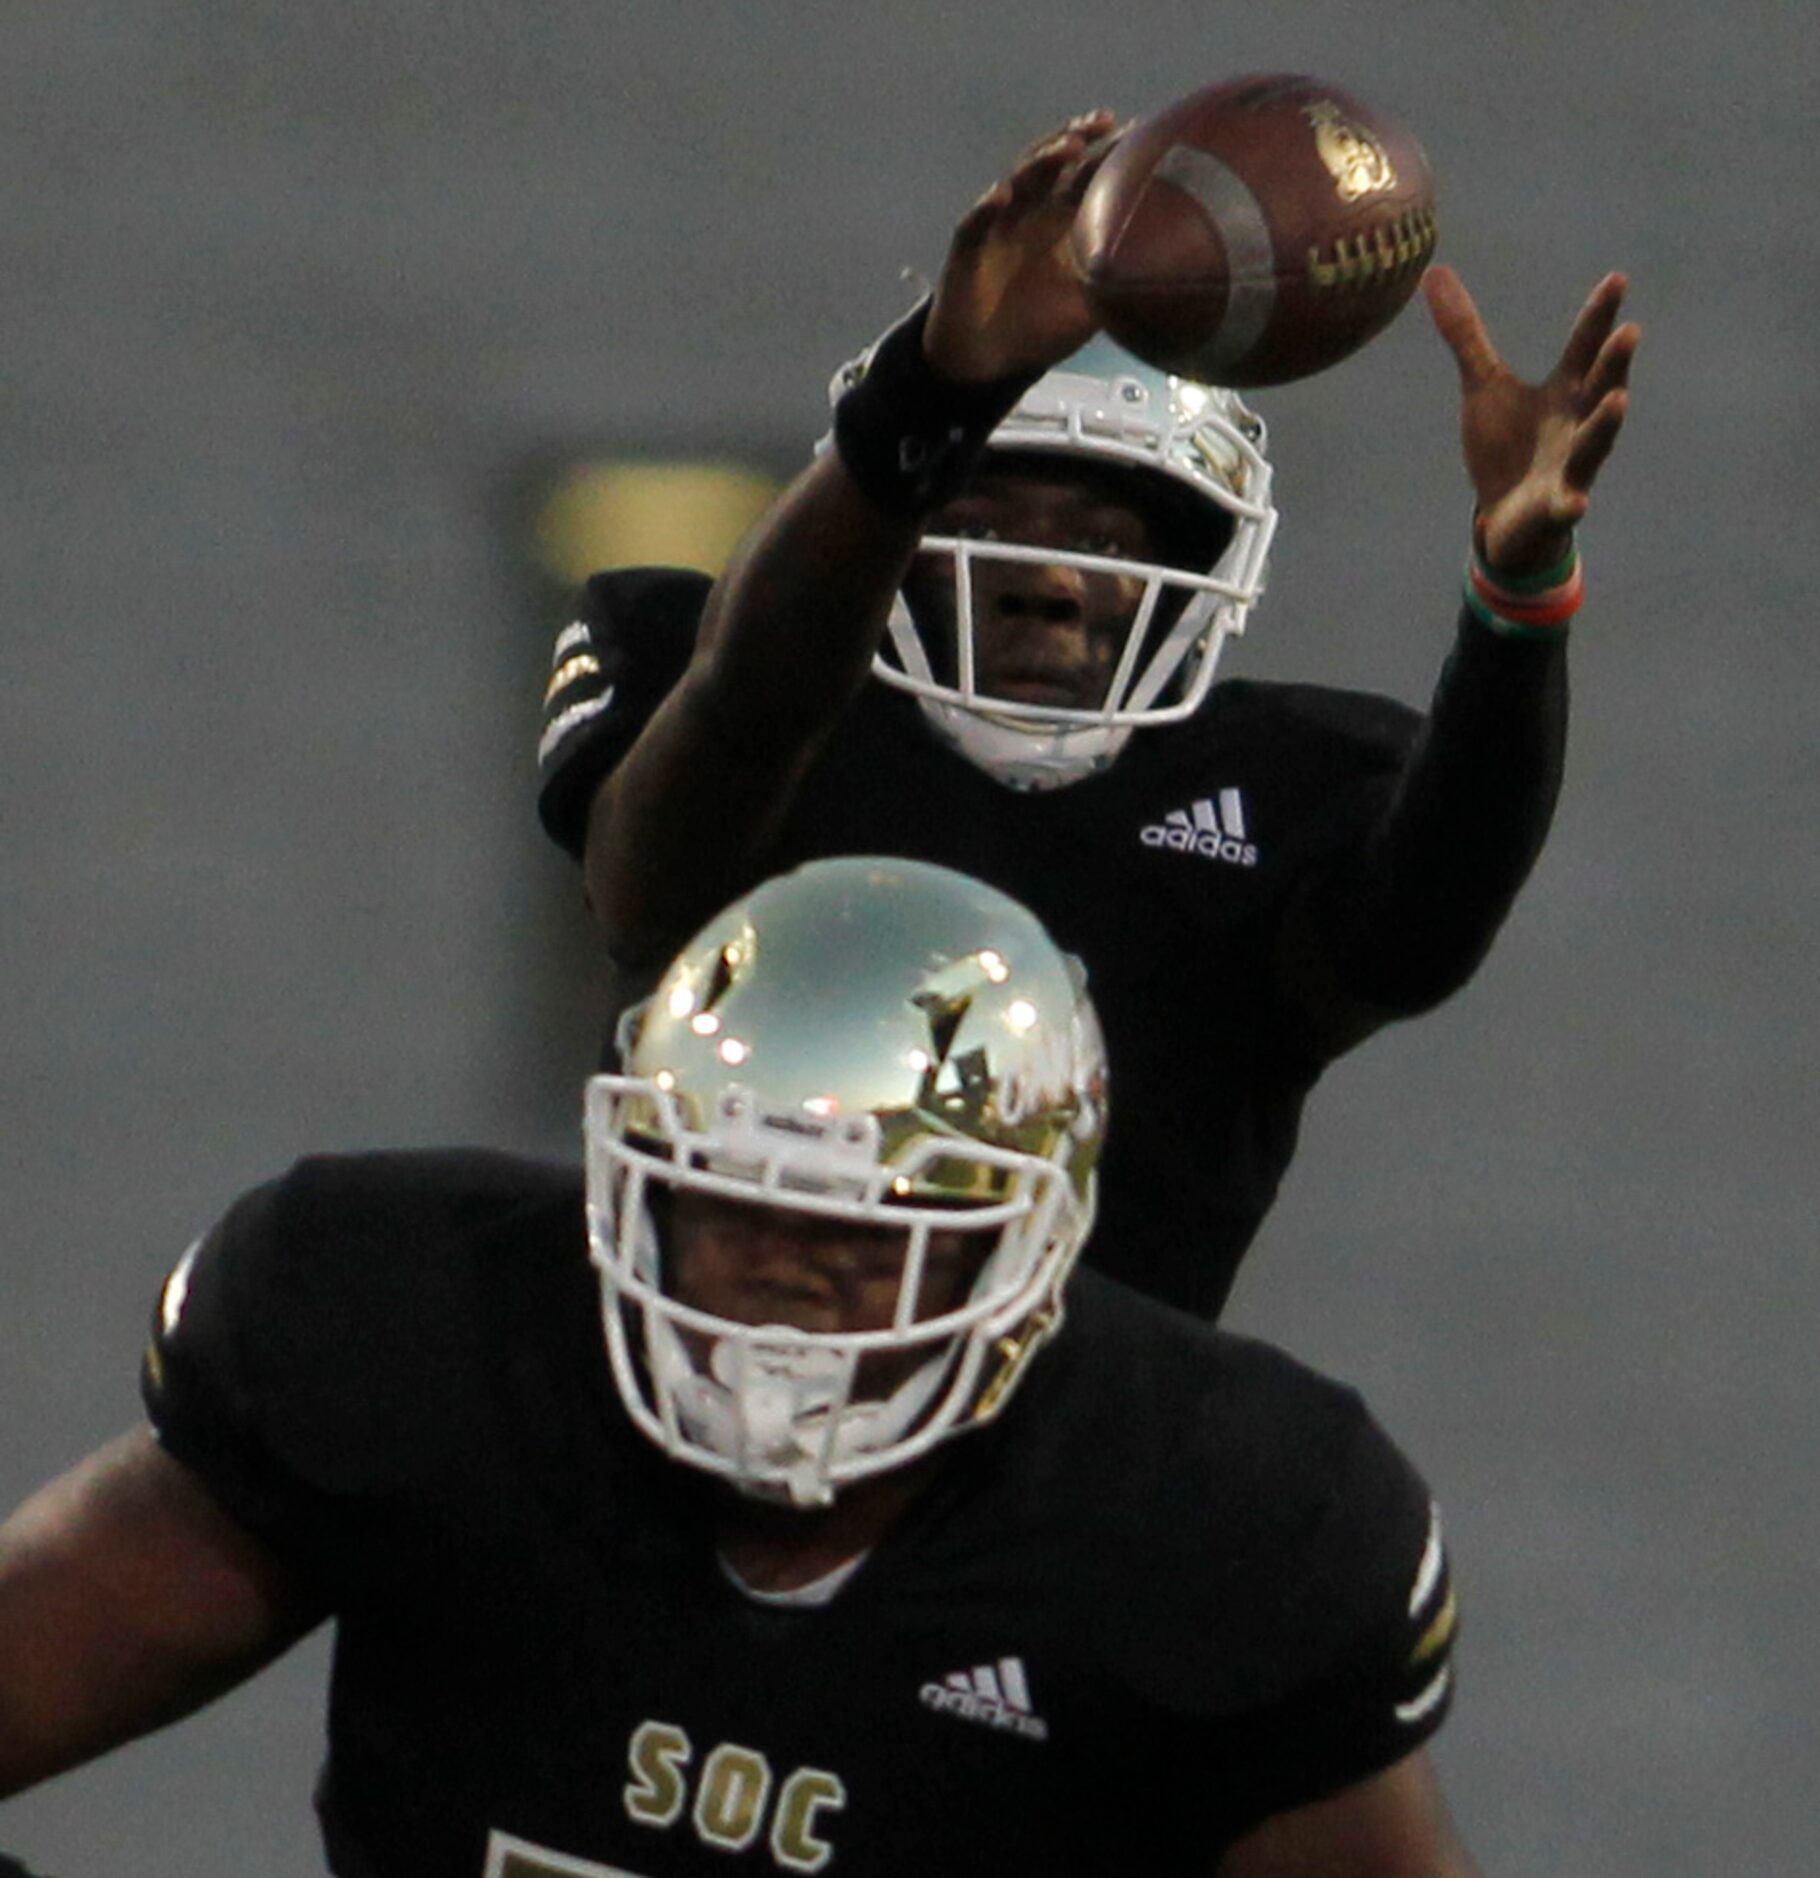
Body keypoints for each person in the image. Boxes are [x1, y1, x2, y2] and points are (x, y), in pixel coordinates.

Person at [0, 857, 1477, 1875]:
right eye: (736, 1215)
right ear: (633, 1188)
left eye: (866, 1239)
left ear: (1021, 1248)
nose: (785, 1286)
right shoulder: (413, 1339)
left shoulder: (1220, 1525)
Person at [537, 110, 1640, 1320]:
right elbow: (674, 831)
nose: (1048, 579)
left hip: (1065, 1472)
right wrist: (927, 397)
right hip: (696, 1385)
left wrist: (1516, 596)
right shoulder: (732, 690)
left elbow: (1424, 922)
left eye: (1105, 541)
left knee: (1333, 1493)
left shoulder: (1282, 786)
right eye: (986, 522)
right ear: (896, 544)